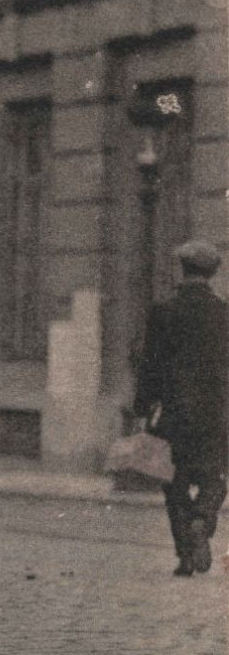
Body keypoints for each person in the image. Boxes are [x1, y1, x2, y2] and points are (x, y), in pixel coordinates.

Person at [134, 240, 227, 576]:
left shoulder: (164, 310)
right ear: (213, 273)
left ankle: (186, 556)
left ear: (183, 270)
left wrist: (142, 408)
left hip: (173, 413)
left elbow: (150, 364)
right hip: (215, 414)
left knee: (173, 483)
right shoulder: (224, 312)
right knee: (215, 478)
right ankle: (203, 517)